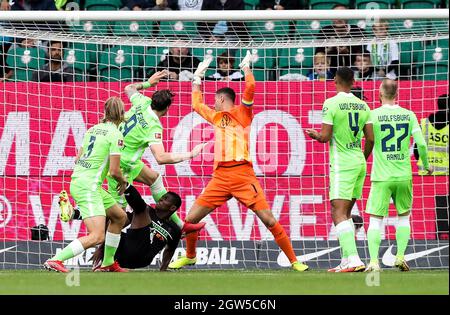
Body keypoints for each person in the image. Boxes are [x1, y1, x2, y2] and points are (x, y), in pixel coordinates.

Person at [168, 52, 309, 272]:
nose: (213, 103)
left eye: (215, 99)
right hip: (220, 177)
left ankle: (294, 261)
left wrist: (246, 68)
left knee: (269, 219)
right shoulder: (215, 117)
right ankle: (191, 256)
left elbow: (250, 87)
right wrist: (197, 77)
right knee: (190, 220)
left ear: (222, 99)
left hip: (243, 175)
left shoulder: (243, 113)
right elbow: (197, 104)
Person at [104, 70, 206, 235]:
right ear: (166, 109)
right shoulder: (153, 126)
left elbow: (129, 88)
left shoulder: (143, 102)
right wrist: (191, 154)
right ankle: (96, 240)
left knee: (154, 179)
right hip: (121, 167)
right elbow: (161, 158)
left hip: (124, 157)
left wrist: (148, 84)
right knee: (119, 217)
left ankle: (181, 226)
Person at [45, 97, 129, 273]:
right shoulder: (116, 135)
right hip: (89, 186)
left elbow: (77, 158)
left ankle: (107, 263)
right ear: (122, 114)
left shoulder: (93, 129)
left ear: (105, 112)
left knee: (120, 217)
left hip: (84, 182)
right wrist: (123, 181)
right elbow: (114, 171)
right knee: (97, 235)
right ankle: (55, 260)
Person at [306, 67, 374, 272]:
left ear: (335, 80)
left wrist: (315, 134)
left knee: (338, 211)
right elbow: (370, 138)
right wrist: (362, 158)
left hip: (342, 163)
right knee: (347, 211)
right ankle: (346, 260)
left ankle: (354, 260)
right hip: (359, 162)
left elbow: (325, 137)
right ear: (353, 81)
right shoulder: (363, 105)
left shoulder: (331, 103)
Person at [365, 79, 432, 272]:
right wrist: (426, 166)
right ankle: (400, 257)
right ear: (397, 95)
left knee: (375, 220)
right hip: (404, 175)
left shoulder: (372, 115)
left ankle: (374, 262)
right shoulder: (409, 115)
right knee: (404, 218)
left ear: (379, 94)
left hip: (381, 176)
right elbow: (421, 144)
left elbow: (367, 139)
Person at [91, 185, 185, 271]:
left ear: (172, 208)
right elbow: (116, 226)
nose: (160, 199)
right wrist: (101, 248)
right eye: (161, 197)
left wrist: (163, 269)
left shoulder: (174, 229)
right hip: (124, 254)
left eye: (165, 199)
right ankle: (105, 264)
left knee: (142, 209)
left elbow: (170, 250)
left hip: (142, 258)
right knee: (114, 222)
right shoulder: (146, 212)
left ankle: (126, 186)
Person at [414, 94, 449, 241]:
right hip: (446, 176)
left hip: (425, 176)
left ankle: (427, 241)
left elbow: (416, 150)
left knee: (426, 217)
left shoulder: (424, 123)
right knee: (444, 213)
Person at [315, 4, 365, 75]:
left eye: (342, 15)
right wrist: (327, 51)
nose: (339, 18)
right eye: (336, 15)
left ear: (348, 17)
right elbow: (318, 56)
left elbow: (364, 56)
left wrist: (348, 52)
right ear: (332, 18)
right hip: (330, 72)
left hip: (354, 71)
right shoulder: (324, 31)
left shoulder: (358, 31)